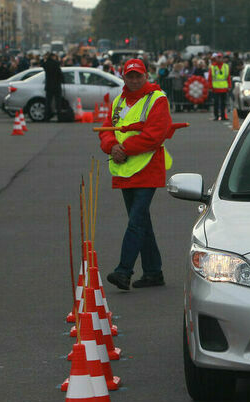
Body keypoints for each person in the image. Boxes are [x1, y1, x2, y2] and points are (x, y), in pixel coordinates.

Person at [99, 59, 173, 290]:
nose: (134, 80)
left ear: (146, 75)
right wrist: (111, 147)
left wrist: (123, 149)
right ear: (123, 77)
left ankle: (124, 271)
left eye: (138, 76)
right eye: (129, 76)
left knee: (135, 222)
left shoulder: (157, 99)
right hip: (124, 169)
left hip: (147, 168)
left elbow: (155, 135)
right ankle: (153, 272)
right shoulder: (119, 101)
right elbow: (105, 130)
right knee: (141, 222)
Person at [208, 52, 230, 120]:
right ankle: (216, 116)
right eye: (218, 57)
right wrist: (210, 87)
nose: (219, 59)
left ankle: (223, 116)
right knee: (216, 103)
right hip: (215, 88)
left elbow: (228, 77)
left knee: (223, 103)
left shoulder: (226, 66)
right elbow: (210, 77)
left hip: (224, 88)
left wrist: (229, 86)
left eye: (220, 57)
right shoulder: (212, 67)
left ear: (222, 58)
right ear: (216, 58)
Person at [42, 52, 63, 122]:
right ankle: (59, 117)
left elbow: (42, 64)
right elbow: (60, 74)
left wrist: (44, 58)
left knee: (48, 102)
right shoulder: (56, 64)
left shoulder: (46, 64)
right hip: (57, 86)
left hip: (49, 86)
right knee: (58, 103)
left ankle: (46, 117)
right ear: (53, 57)